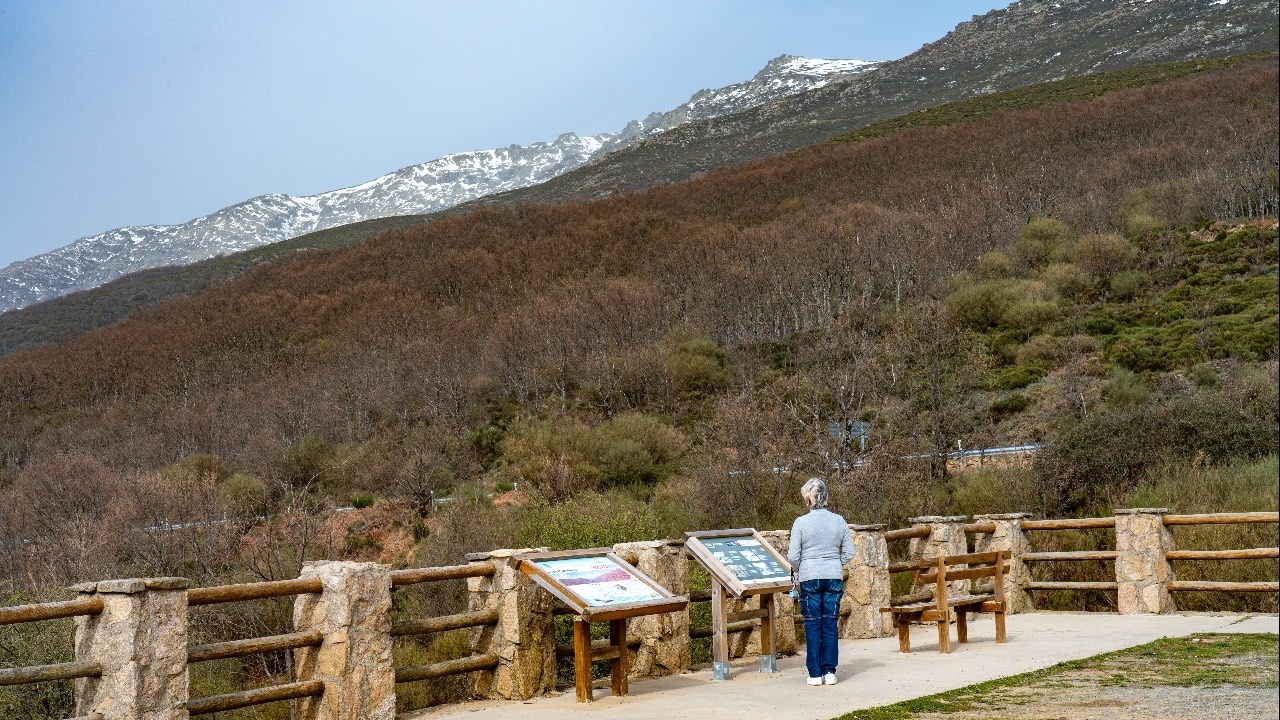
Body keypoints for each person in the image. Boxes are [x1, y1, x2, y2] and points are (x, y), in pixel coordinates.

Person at [788, 477, 855, 686]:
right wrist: (835, 562)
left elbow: (793, 556)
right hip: (833, 577)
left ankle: (815, 674)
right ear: (826, 497)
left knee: (812, 625)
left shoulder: (800, 523)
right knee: (830, 625)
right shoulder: (839, 521)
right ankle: (830, 672)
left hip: (810, 578)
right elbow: (850, 553)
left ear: (808, 499)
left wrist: (800, 569)